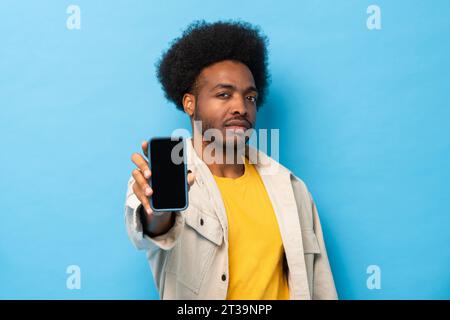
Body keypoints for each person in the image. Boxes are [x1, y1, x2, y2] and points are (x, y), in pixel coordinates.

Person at [125, 20, 338, 300]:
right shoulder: (158, 178)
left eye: (250, 97)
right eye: (224, 94)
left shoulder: (290, 187)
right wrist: (158, 212)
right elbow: (152, 229)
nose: (241, 107)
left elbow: (320, 286)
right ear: (190, 103)